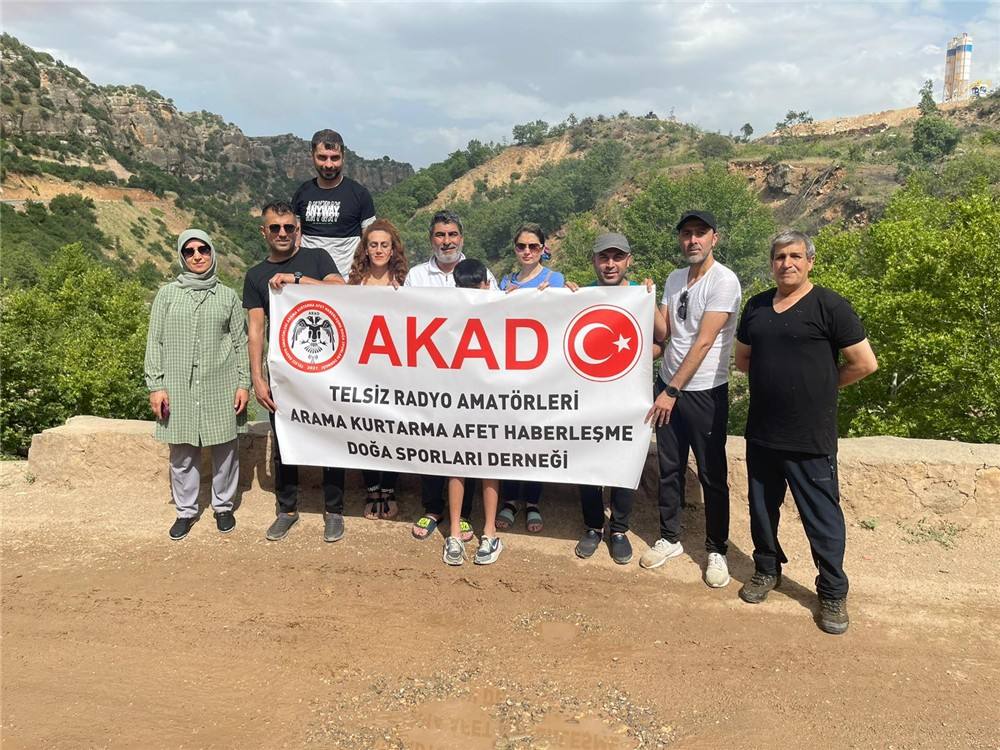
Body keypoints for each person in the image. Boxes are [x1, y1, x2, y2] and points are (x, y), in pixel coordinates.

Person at [734, 230, 877, 634]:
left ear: (810, 261)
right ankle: (766, 570)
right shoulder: (758, 306)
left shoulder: (830, 305)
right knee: (762, 510)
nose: (787, 263)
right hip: (762, 431)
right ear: (772, 263)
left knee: (822, 517)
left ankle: (832, 591)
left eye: (795, 255)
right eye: (780, 256)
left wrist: (824, 385)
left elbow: (864, 363)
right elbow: (743, 359)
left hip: (810, 435)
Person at [642, 210, 742, 590]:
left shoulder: (724, 281)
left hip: (702, 391)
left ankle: (716, 549)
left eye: (700, 233)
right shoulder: (674, 278)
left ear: (714, 237)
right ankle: (670, 537)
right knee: (670, 467)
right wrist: (650, 301)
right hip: (668, 385)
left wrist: (671, 391)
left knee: (712, 474)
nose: (693, 240)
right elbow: (666, 331)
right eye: (687, 234)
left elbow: (704, 342)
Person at [243, 201, 347, 542]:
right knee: (285, 440)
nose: (283, 233)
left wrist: (297, 280)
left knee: (331, 435)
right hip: (284, 373)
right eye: (275, 227)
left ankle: (334, 511)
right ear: (264, 231)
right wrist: (258, 378)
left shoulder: (316, 260)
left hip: (326, 369)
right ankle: (286, 509)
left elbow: (341, 291)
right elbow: (256, 330)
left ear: (297, 228)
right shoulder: (255, 275)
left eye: (289, 227)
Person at [144, 229, 250, 540]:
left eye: (202, 249)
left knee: (225, 449)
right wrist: (156, 385)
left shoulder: (227, 296)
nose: (197, 256)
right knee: (182, 451)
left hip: (221, 381)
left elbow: (240, 343)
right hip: (178, 385)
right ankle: (186, 511)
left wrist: (243, 383)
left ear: (212, 252)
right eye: (189, 251)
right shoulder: (167, 295)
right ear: (182, 256)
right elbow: (156, 341)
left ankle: (223, 506)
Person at [566, 232, 664, 564]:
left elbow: (662, 341)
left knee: (625, 458)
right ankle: (593, 525)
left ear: (628, 260)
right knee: (587, 461)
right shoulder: (583, 295)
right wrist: (561, 299)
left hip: (628, 398)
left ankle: (619, 528)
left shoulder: (640, 294)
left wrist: (651, 299)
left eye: (617, 258)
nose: (610, 264)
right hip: (588, 397)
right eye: (604, 258)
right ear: (594, 261)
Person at [404, 210, 496, 543]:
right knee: (430, 445)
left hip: (472, 379)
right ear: (431, 239)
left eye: (453, 235)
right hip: (430, 378)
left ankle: (465, 516)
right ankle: (432, 509)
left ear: (462, 237)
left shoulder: (480, 271)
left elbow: (500, 313)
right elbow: (403, 319)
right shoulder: (416, 276)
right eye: (441, 235)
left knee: (468, 446)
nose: (447, 241)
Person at [496, 223, 565, 533]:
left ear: (543, 249)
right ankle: (510, 500)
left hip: (541, 374)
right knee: (509, 438)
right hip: (508, 374)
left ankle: (533, 501)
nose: (526, 252)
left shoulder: (555, 280)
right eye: (521, 246)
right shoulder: (504, 282)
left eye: (533, 247)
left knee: (535, 438)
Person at [440, 258, 503, 565]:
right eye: (463, 288)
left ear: (486, 285)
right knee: (456, 463)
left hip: (491, 402)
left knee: (490, 464)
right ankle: (454, 531)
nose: (470, 293)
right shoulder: (447, 311)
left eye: (475, 288)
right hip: (456, 401)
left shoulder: (500, 307)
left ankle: (490, 532)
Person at [347, 218, 409, 519]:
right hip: (362, 370)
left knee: (393, 431)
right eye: (374, 244)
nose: (379, 250)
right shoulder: (355, 282)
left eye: (385, 244)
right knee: (365, 430)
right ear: (365, 249)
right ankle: (372, 489)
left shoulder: (406, 282)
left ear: (393, 248)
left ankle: (390, 489)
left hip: (396, 370)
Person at [292, 129, 376, 277]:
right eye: (322, 157)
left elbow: (372, 239)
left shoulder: (360, 194)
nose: (329, 164)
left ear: (343, 157)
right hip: (308, 280)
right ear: (312, 156)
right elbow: (295, 240)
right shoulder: (302, 192)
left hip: (347, 281)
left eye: (335, 158)